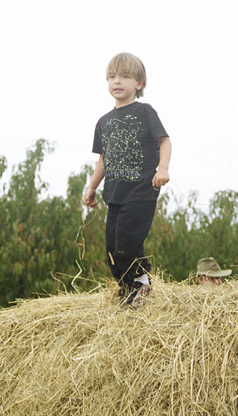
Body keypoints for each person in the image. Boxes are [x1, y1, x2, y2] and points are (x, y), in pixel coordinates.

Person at [83, 52, 171, 306]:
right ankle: (127, 291)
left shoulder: (145, 112)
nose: (117, 81)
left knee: (128, 242)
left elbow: (164, 141)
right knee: (112, 251)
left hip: (142, 190)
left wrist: (162, 168)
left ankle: (142, 285)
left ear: (139, 84)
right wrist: (91, 187)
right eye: (112, 77)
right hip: (114, 194)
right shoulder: (104, 122)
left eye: (124, 76)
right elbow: (103, 159)